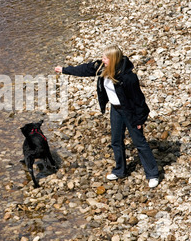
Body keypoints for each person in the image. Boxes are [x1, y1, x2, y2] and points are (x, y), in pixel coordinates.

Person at [54, 44, 160, 188]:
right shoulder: (101, 68)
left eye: (105, 58)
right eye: (103, 57)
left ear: (114, 59)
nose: (102, 60)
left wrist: (140, 119)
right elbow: (85, 69)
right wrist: (65, 70)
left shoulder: (128, 77)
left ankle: (153, 174)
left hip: (129, 112)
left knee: (139, 142)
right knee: (116, 141)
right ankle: (120, 170)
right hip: (115, 110)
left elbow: (139, 101)